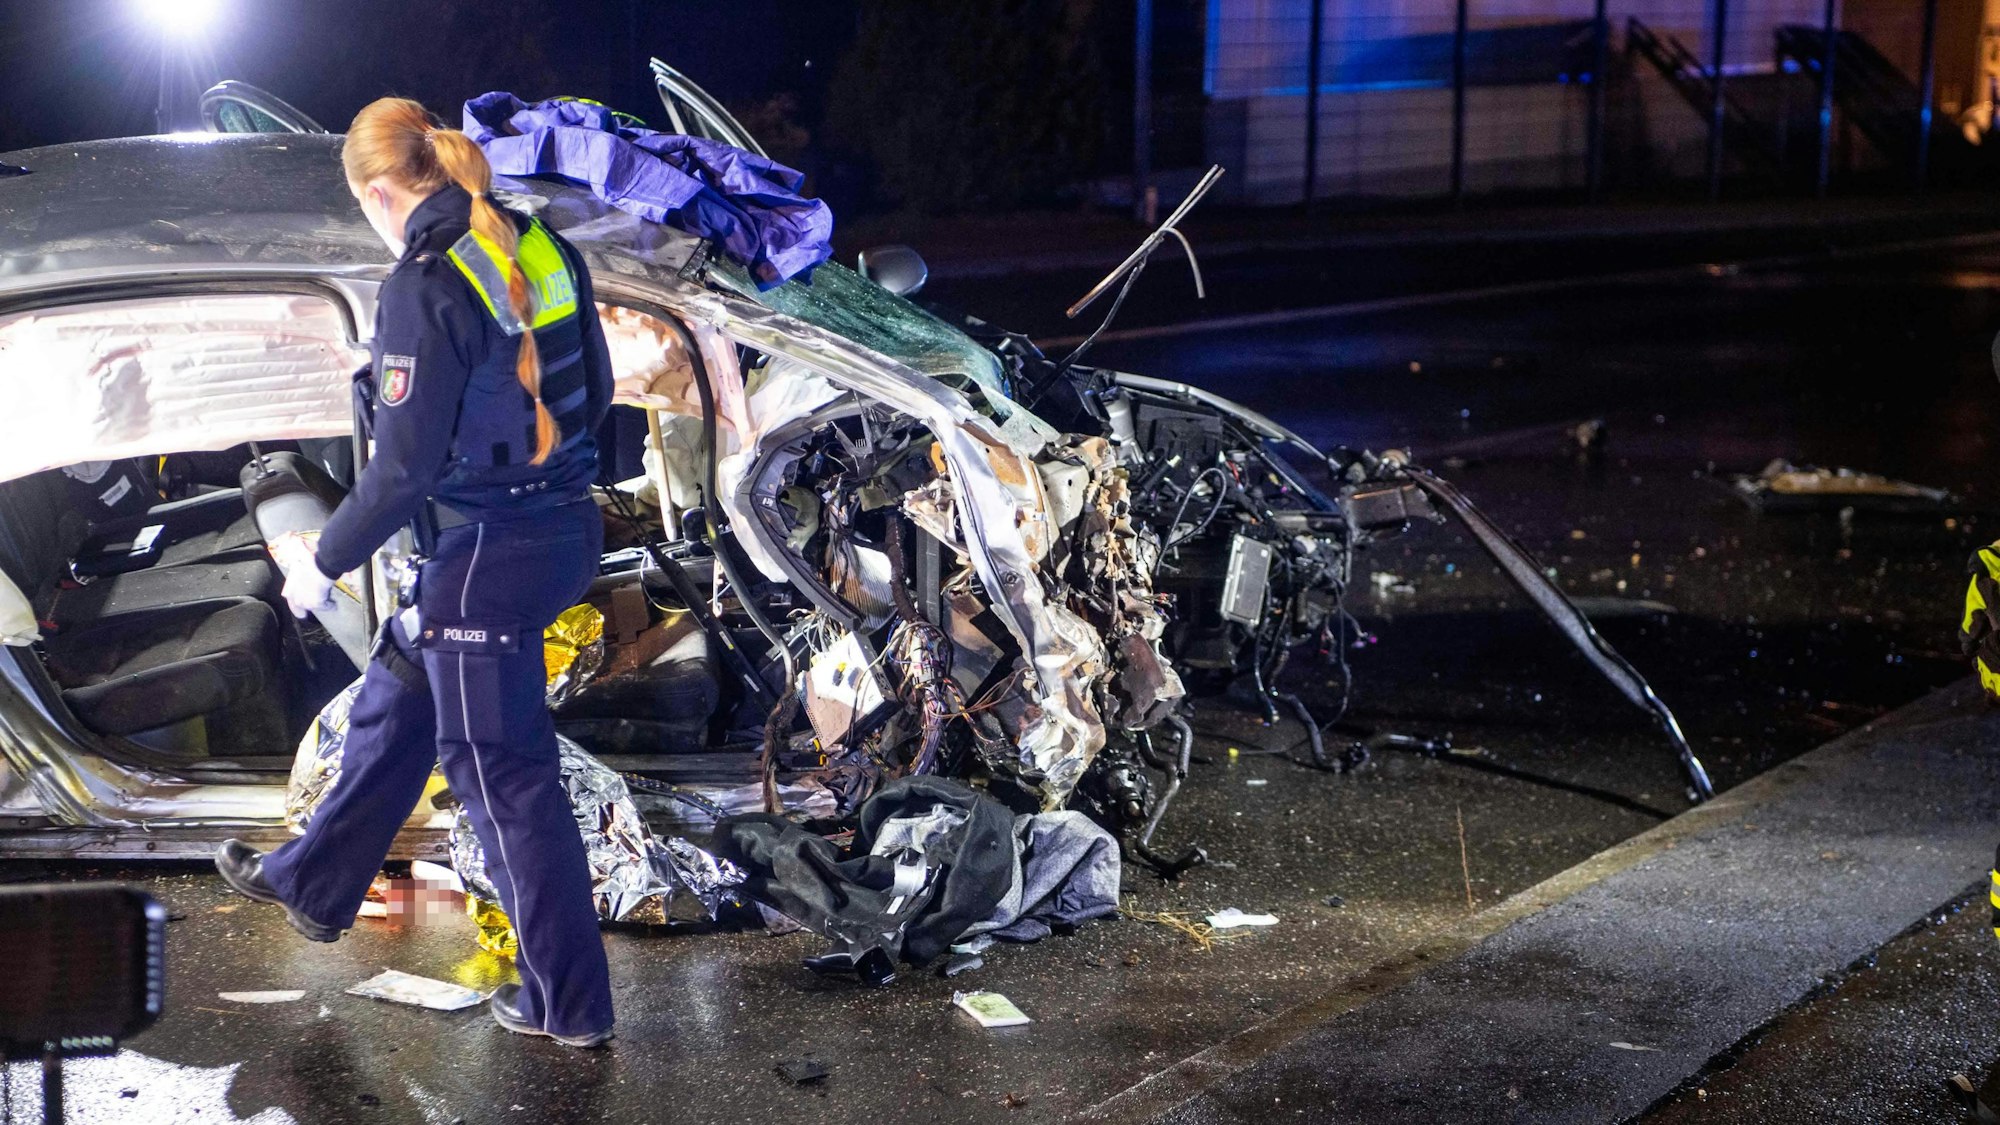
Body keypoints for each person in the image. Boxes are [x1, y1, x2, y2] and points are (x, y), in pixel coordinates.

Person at [213, 97, 617, 1048]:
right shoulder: (533, 244)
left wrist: (322, 563)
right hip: (560, 527)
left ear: (383, 192)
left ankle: (571, 1003)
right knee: (401, 679)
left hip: (485, 557)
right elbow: (595, 389)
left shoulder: (424, 284)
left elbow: (401, 469)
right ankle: (313, 879)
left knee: (505, 780)